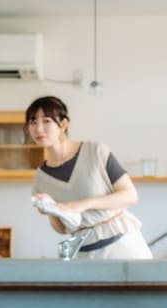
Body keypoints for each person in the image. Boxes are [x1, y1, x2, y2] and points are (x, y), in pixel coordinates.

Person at [27, 95, 152, 259]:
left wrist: (82, 204)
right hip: (84, 255)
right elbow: (61, 229)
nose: (38, 129)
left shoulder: (96, 153)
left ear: (63, 124)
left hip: (123, 246)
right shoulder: (41, 178)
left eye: (46, 121)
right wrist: (50, 210)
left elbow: (130, 195)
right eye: (33, 122)